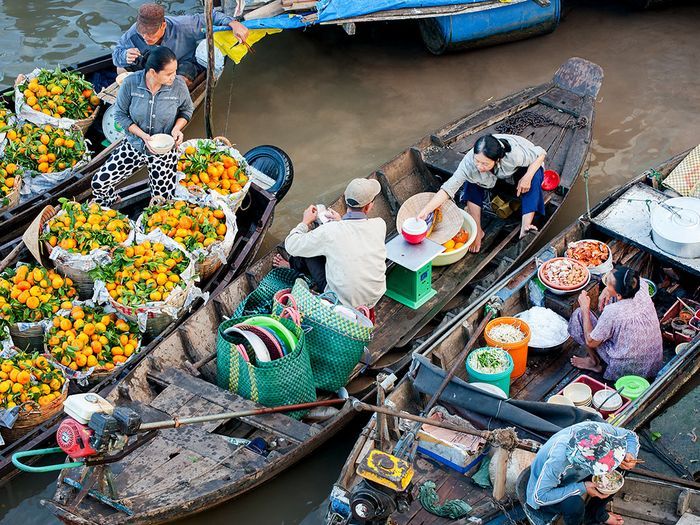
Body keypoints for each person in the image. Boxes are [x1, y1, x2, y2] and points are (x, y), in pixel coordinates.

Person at [92, 47, 194, 207]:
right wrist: (144, 136)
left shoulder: (178, 86)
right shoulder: (131, 83)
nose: (174, 77)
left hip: (164, 150)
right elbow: (120, 114)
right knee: (99, 183)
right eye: (169, 74)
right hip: (135, 145)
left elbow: (187, 109)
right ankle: (112, 204)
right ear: (153, 72)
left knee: (162, 201)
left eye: (175, 71)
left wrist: (177, 129)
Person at [418, 134, 546, 253]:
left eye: (485, 163)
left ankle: (525, 226)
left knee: (534, 178)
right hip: (491, 176)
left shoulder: (514, 155)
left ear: (497, 160)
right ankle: (478, 230)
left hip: (525, 164)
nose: (479, 166)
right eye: (477, 161)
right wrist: (426, 211)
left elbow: (541, 154)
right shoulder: (469, 163)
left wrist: (527, 177)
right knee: (470, 181)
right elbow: (448, 189)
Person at [274, 178, 387, 309]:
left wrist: (305, 222)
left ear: (345, 199)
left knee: (309, 248)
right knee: (328, 246)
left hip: (342, 302)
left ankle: (292, 266)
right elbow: (356, 233)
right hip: (374, 297)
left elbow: (291, 245)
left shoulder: (330, 231)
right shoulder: (380, 224)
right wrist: (341, 221)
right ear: (368, 207)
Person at [526, 422, 640, 525]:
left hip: (576, 475)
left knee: (619, 468)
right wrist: (582, 487)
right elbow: (539, 497)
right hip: (550, 488)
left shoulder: (596, 430)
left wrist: (630, 454)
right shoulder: (558, 461)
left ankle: (597, 513)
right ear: (581, 461)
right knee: (574, 504)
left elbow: (630, 435)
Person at [112, 3, 249, 84]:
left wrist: (233, 23)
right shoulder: (133, 32)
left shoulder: (184, 25)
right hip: (153, 65)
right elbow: (116, 55)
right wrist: (124, 56)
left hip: (182, 63)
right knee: (121, 69)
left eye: (151, 33)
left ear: (163, 25)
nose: (146, 37)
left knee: (179, 82)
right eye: (143, 33)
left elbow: (213, 16)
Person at [568, 266, 663, 380]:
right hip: (651, 363)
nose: (606, 285)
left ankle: (593, 362)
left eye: (608, 284)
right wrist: (605, 291)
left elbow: (591, 342)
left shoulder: (612, 312)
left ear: (619, 295)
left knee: (579, 315)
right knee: (610, 300)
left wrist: (585, 308)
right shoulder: (641, 285)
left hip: (626, 368)